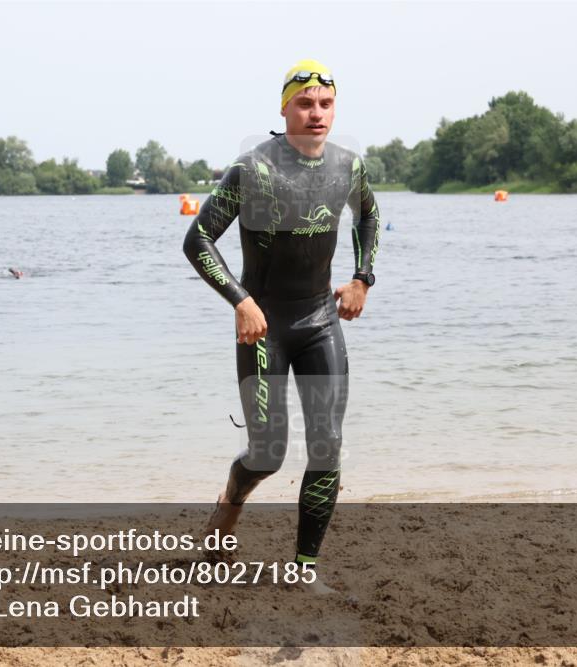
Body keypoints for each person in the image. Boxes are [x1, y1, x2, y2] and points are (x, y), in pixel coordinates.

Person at [182, 59, 380, 593]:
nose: (317, 113)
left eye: (326, 104)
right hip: (263, 326)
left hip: (320, 320)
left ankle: (305, 570)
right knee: (267, 453)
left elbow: (368, 215)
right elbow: (197, 240)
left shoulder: (348, 166)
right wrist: (241, 301)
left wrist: (362, 278)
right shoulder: (252, 169)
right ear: (284, 108)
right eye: (305, 103)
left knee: (327, 443)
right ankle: (231, 502)